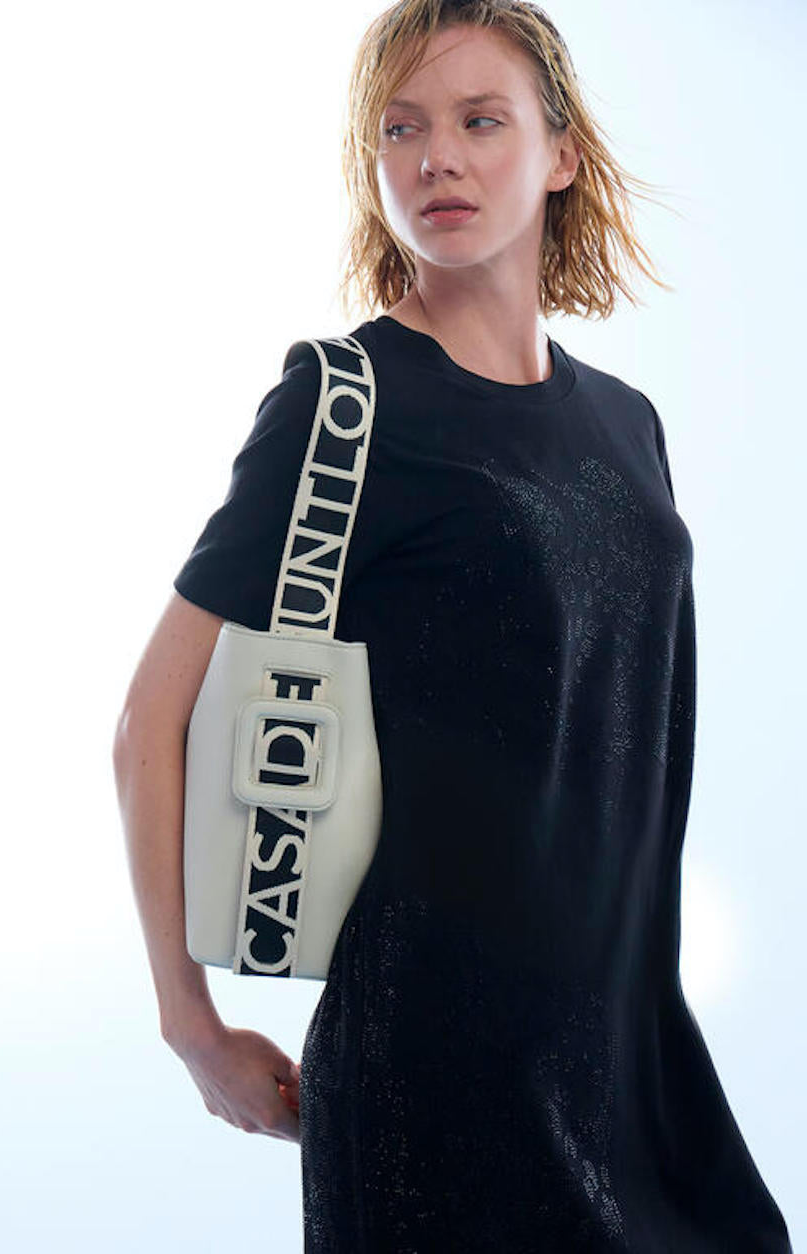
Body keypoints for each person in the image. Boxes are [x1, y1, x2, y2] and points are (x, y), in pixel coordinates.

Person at [113, 0, 794, 1248]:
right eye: (402, 128)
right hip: (435, 1063)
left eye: (482, 121)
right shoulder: (343, 403)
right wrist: (191, 1026)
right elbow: (151, 722)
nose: (438, 158)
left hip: (634, 1048)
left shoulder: (628, 423)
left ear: (563, 152)